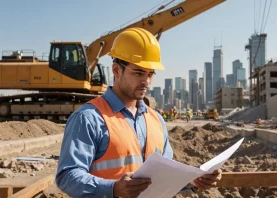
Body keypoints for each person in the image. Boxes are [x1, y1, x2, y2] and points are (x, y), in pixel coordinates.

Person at [55, 27, 222, 198]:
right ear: (116, 70)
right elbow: (67, 176)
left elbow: (165, 178)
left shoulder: (156, 119)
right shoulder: (89, 118)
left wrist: (193, 181)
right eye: (138, 73)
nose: (146, 81)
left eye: (150, 74)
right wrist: (113, 188)